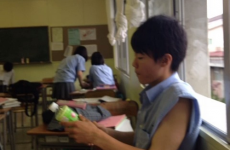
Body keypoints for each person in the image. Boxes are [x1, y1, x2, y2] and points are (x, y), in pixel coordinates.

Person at [61, 15, 201, 150]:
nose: (134, 64)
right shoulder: (156, 93)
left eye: (140, 57)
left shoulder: (179, 100)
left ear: (164, 60)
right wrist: (103, 132)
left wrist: (96, 137)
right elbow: (142, 139)